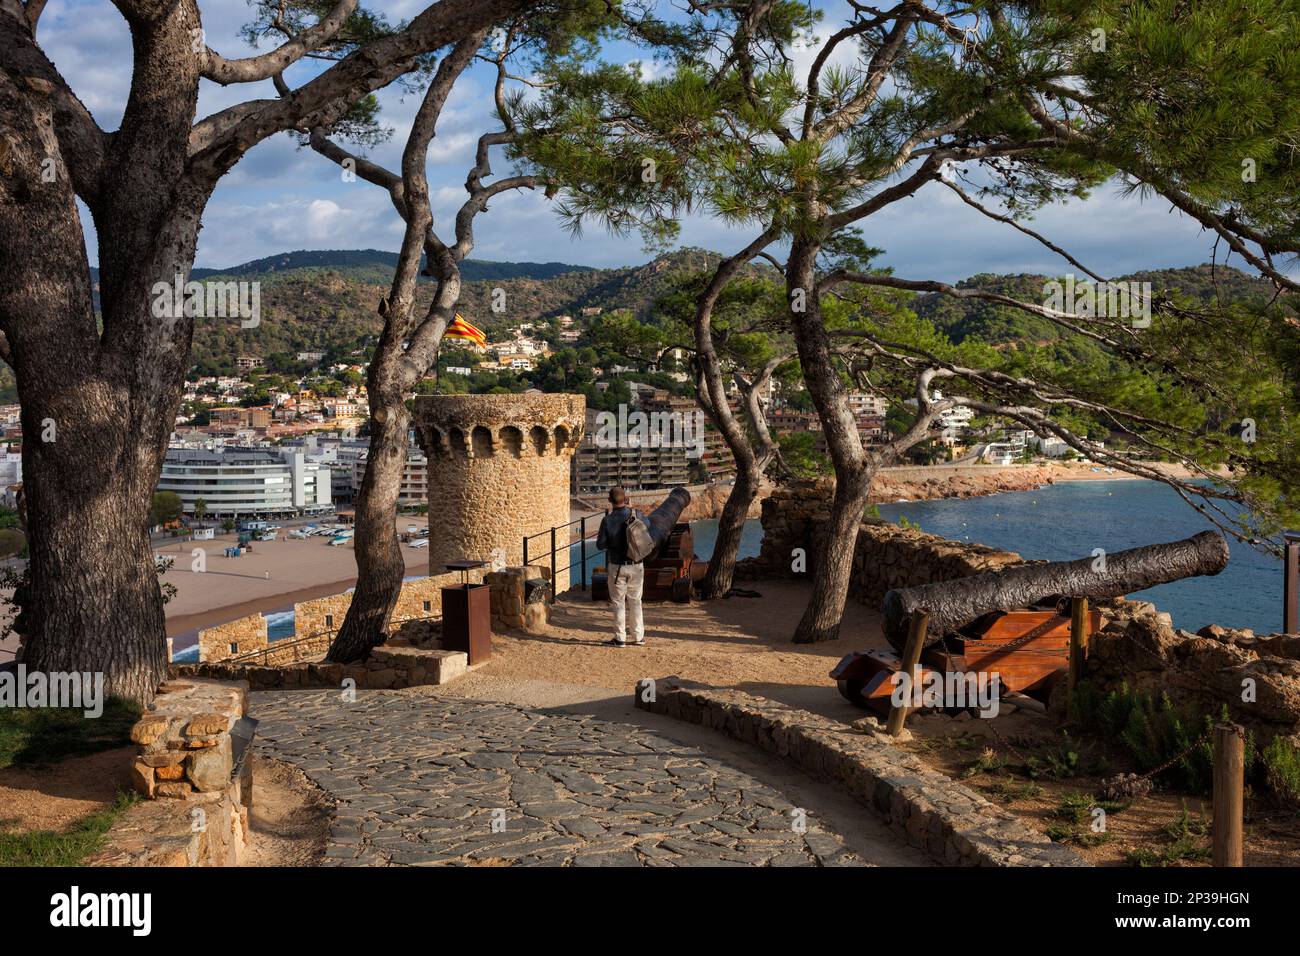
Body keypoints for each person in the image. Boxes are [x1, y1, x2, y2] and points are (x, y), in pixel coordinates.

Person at [596, 486, 644, 646]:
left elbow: (600, 545)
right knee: (636, 601)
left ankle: (620, 638)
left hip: (617, 566)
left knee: (618, 602)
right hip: (637, 565)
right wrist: (632, 509)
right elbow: (648, 526)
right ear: (626, 499)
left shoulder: (607, 520)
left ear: (609, 501)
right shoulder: (635, 515)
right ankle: (638, 637)